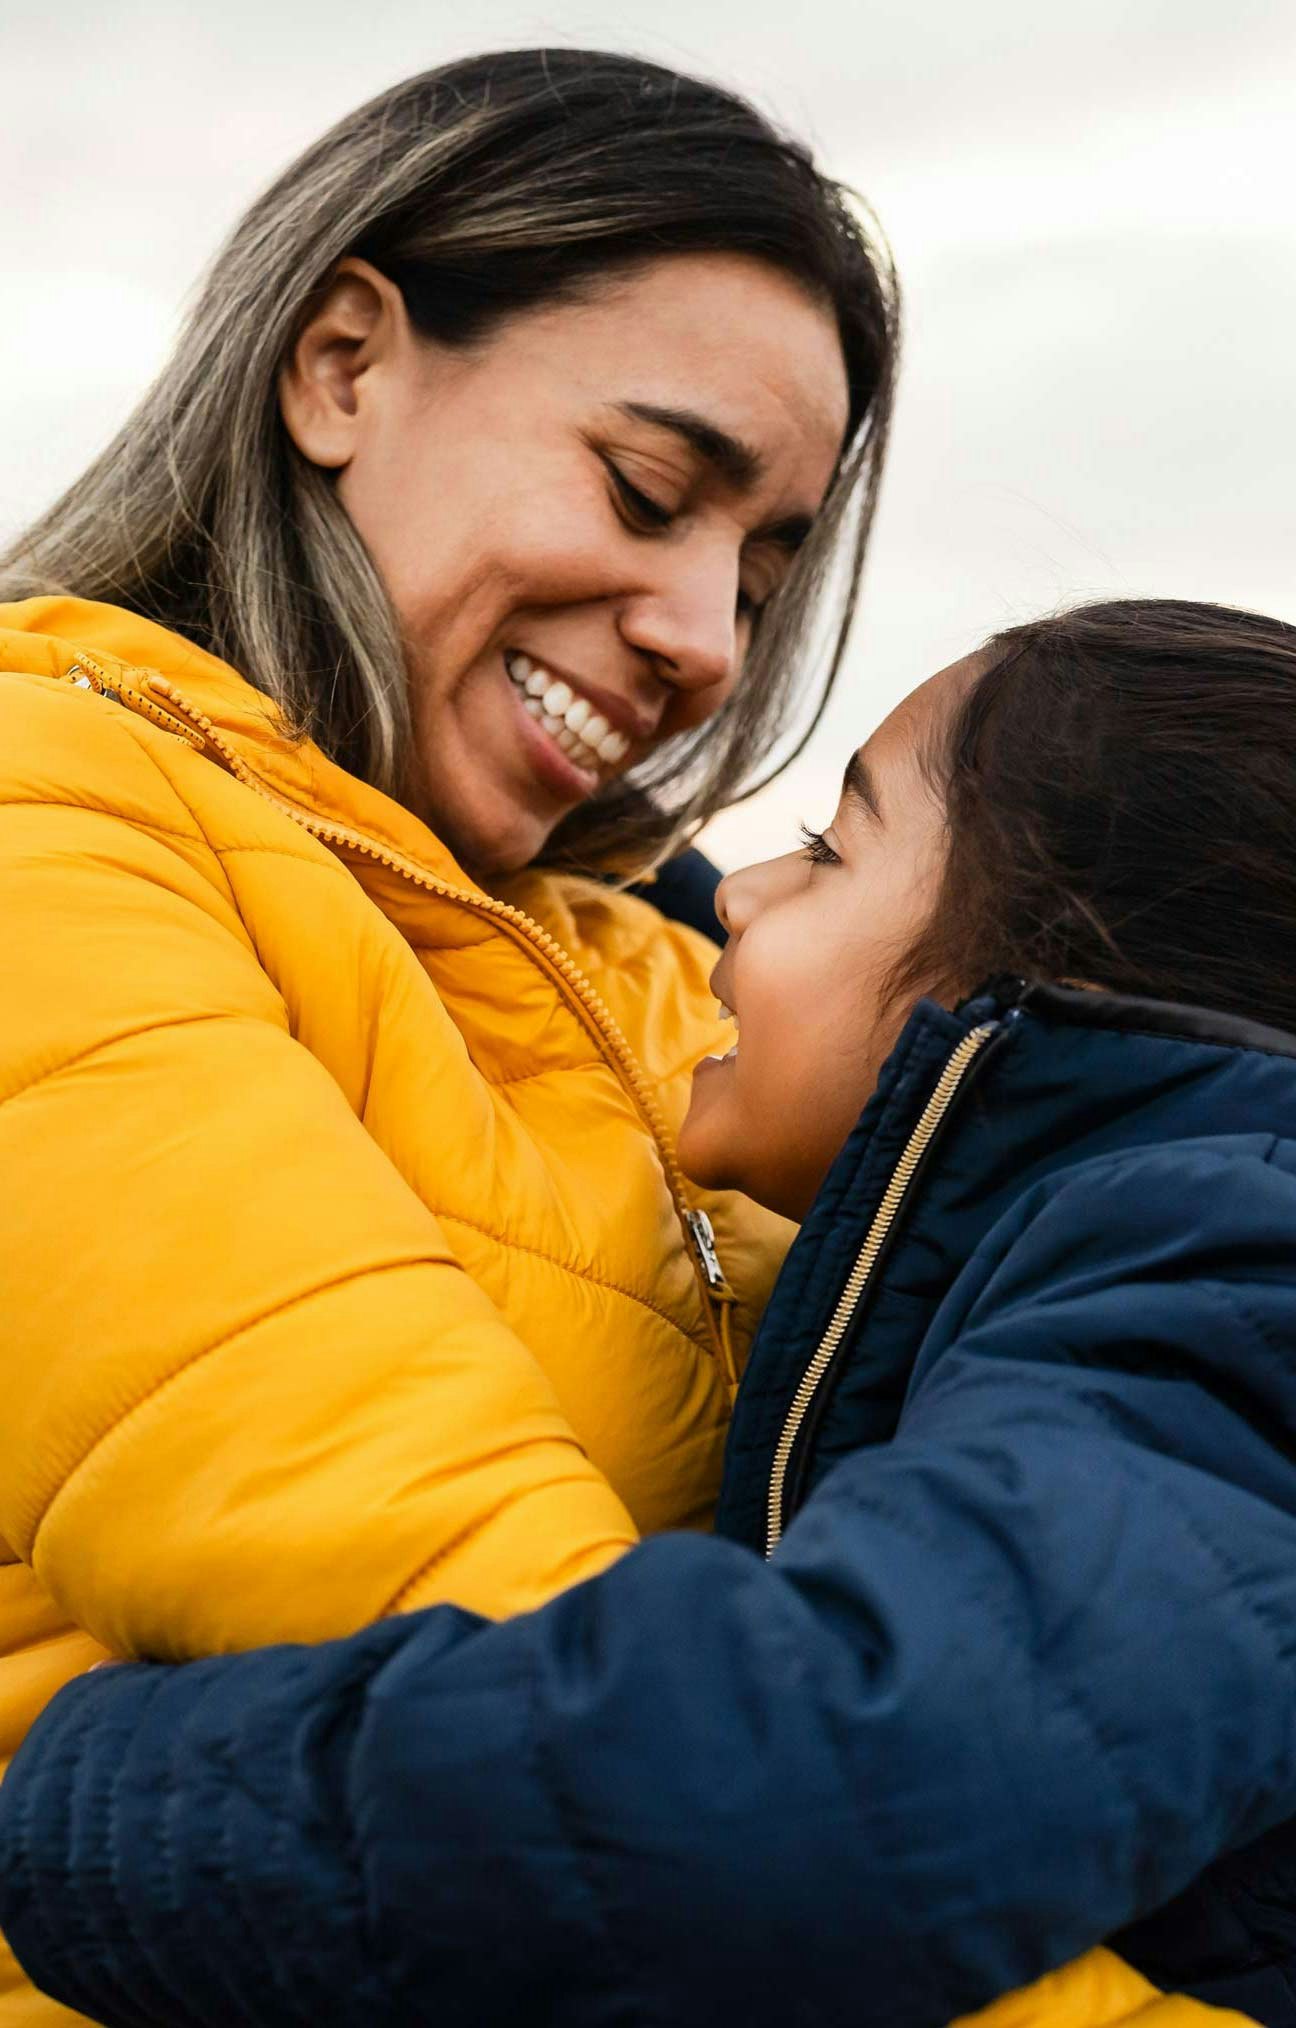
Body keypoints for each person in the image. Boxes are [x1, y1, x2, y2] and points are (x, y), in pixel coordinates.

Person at [6, 597, 1296, 2028]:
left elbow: (793, 1800)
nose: (737, 893)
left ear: (1059, 981)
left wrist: (90, 1808)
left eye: (829, 851)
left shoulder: (1227, 1294)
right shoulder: (1154, 1261)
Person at [0, 46, 898, 2026]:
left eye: (762, 570)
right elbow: (475, 1629)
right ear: (339, 366)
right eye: (651, 492)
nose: (707, 640)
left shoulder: (671, 979)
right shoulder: (42, 817)